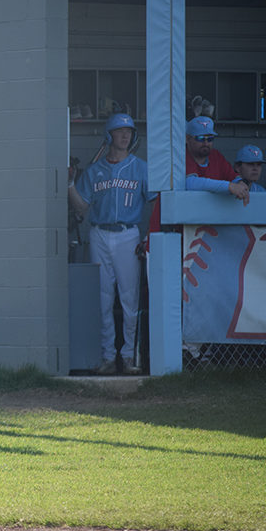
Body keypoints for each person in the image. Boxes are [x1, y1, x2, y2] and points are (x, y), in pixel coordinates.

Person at [69, 113, 155, 375]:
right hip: (99, 233)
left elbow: (156, 200)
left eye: (128, 130)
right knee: (102, 298)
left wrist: (148, 234)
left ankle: (128, 356)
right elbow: (82, 206)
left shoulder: (141, 167)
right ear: (109, 136)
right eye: (119, 131)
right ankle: (107, 356)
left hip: (128, 233)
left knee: (129, 299)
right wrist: (70, 183)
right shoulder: (95, 171)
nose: (125, 135)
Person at [182, 116, 251, 204]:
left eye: (210, 138)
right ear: (188, 139)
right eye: (200, 138)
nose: (206, 143)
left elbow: (233, 177)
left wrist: (240, 183)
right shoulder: (183, 155)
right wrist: (229, 186)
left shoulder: (215, 155)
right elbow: (190, 183)